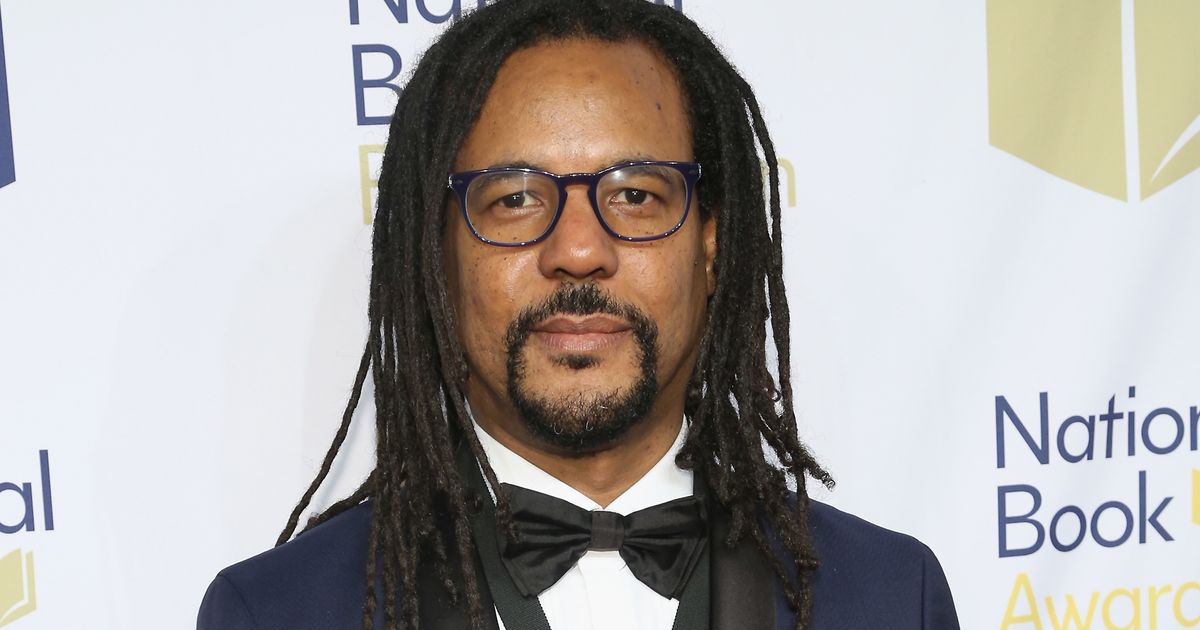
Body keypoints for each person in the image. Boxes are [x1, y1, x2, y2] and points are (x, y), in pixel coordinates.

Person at [197, 0, 960, 628]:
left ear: (711, 246)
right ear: (438, 258)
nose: (579, 250)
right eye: (515, 198)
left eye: (635, 194)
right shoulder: (278, 612)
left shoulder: (893, 599)